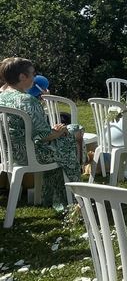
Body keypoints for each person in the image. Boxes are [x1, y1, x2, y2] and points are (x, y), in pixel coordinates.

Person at [0, 57, 81, 209]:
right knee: (73, 132)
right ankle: (72, 195)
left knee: (67, 136)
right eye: (32, 74)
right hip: (33, 156)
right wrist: (58, 131)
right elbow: (44, 136)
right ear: (22, 77)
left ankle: (55, 196)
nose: (34, 77)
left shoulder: (1, 97)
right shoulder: (28, 100)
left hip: (9, 155)